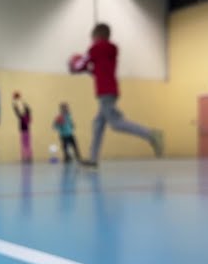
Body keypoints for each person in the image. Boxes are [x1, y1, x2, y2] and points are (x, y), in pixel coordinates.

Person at [69, 23, 164, 167]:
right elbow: (98, 71)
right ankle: (93, 159)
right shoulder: (111, 49)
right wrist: (87, 70)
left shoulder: (95, 48)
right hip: (111, 90)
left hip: (105, 92)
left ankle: (151, 134)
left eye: (92, 37)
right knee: (98, 124)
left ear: (96, 36)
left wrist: (74, 67)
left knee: (116, 123)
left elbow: (80, 64)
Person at [12, 92, 32, 163]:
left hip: (25, 128)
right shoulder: (23, 115)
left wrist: (16, 107)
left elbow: (20, 113)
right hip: (24, 128)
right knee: (25, 143)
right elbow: (19, 113)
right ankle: (25, 157)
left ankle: (27, 157)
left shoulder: (24, 115)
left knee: (26, 143)